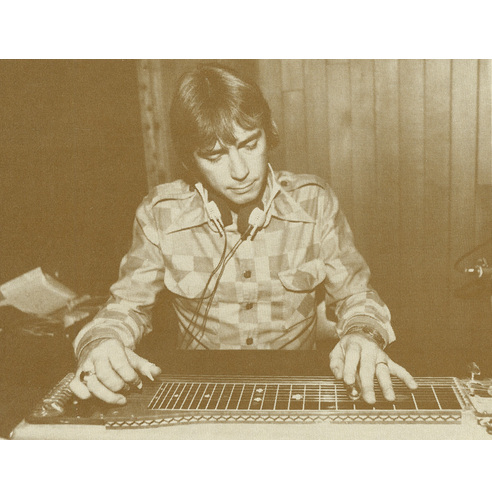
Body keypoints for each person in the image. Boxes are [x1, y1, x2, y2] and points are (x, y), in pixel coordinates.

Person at [69, 64, 417, 406]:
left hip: (295, 389)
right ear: (190, 160)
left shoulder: (314, 202)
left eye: (250, 145)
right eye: (214, 156)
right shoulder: (160, 213)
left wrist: (362, 334)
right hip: (202, 395)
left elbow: (356, 295)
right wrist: (101, 342)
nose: (240, 172)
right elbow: (126, 306)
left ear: (270, 133)